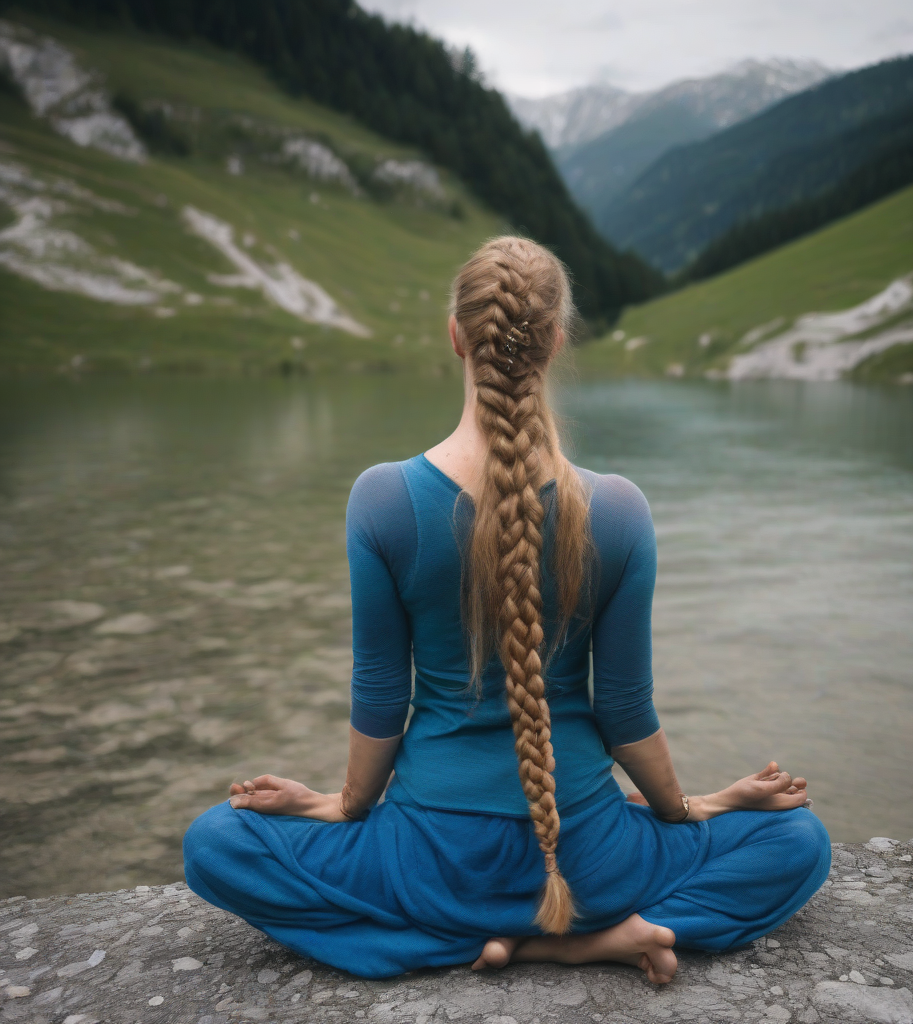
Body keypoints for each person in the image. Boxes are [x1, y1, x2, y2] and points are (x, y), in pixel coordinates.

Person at [183, 236, 831, 984]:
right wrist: (690, 808)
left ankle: (476, 944)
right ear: (558, 341)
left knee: (216, 843)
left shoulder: (384, 499)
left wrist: (342, 804)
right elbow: (624, 711)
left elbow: (381, 695)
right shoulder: (618, 510)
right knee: (797, 842)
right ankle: (576, 943)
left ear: (455, 335)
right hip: (589, 861)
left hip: (431, 861)